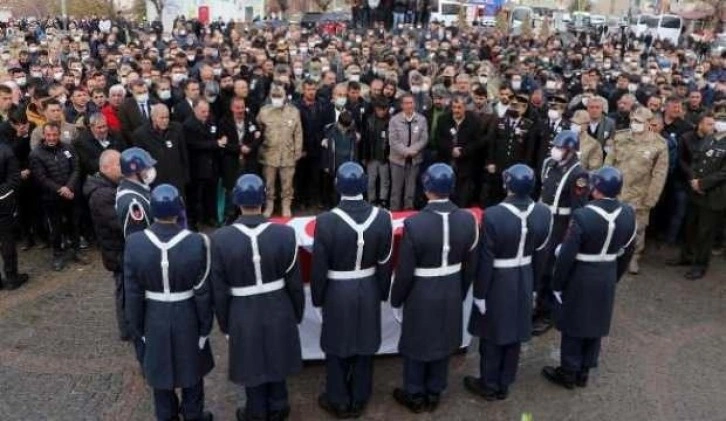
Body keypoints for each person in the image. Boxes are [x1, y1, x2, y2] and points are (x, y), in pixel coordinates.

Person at [210, 174, 304, 421]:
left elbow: (219, 290)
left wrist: (224, 322)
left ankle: (256, 410)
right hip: (278, 305)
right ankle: (279, 405)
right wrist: (296, 312)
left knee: (251, 363)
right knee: (277, 355)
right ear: (264, 199)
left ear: (236, 201)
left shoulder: (220, 239)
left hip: (242, 310)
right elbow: (294, 283)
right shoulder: (284, 234)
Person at [390, 163, 478, 413]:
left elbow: (405, 272)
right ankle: (434, 391)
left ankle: (415, 393)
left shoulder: (415, 224)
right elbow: (470, 267)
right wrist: (458, 291)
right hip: (451, 288)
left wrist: (397, 300)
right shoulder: (468, 220)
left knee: (417, 344)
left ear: (426, 188)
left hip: (421, 292)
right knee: (442, 342)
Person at [124, 184, 214, 421]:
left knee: (161, 381)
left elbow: (132, 295)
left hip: (154, 318)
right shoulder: (197, 242)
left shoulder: (134, 243)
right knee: (193, 377)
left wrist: (138, 329)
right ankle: (194, 415)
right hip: (187, 317)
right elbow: (203, 293)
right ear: (179, 209)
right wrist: (205, 328)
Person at [311, 162, 394, 419]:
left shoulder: (325, 222)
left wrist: (318, 297)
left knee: (337, 346)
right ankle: (359, 397)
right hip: (368, 287)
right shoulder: (382, 217)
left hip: (337, 290)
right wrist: (381, 293)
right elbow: (385, 263)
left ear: (338, 186)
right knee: (365, 343)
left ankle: (338, 399)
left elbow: (318, 268)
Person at [542, 166, 636, 389]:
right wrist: (615, 275)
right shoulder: (628, 214)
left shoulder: (584, 216)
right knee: (596, 323)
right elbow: (629, 250)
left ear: (597, 189)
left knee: (574, 324)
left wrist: (557, 283)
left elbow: (566, 254)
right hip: (607, 273)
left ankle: (568, 371)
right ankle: (585, 369)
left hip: (582, 274)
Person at [464, 164, 551, 400]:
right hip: (525, 276)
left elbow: (485, 259)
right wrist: (533, 287)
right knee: (514, 333)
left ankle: (489, 383)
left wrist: (480, 293)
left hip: (498, 281)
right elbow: (541, 255)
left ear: (508, 184)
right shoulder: (543, 213)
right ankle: (505, 381)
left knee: (492, 334)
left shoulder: (493, 215)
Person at [533, 130, 590, 336]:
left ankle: (547, 312)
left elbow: (578, 210)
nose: (556, 151)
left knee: (550, 269)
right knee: (539, 264)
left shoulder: (578, 174)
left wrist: (567, 237)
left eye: (561, 148)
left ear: (571, 150)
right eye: (555, 146)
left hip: (560, 224)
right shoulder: (549, 164)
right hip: (544, 219)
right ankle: (538, 305)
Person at [604, 107, 668, 274]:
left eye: (639, 122)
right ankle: (610, 252)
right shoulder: (620, 137)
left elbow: (659, 174)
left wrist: (651, 198)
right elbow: (608, 163)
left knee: (637, 228)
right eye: (633, 120)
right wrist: (603, 185)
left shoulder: (659, 144)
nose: (634, 124)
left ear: (648, 123)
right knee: (611, 223)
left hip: (639, 194)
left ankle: (633, 257)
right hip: (616, 190)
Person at [669, 112, 726, 279]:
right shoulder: (709, 138)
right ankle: (686, 257)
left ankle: (700, 264)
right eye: (719, 120)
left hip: (714, 195)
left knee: (705, 232)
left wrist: (702, 183)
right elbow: (696, 159)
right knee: (691, 226)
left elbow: (724, 172)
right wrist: (694, 179)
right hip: (696, 191)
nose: (720, 123)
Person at [29, 122, 87, 271]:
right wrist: (60, 189)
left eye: (55, 135)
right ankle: (57, 254)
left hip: (71, 193)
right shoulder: (36, 154)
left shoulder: (68, 148)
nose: (52, 138)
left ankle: (76, 250)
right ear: (44, 135)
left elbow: (76, 168)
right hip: (51, 197)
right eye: (49, 135)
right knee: (56, 227)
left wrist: (69, 187)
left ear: (59, 134)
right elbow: (41, 177)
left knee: (74, 224)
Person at [84, 150, 126, 338]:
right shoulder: (101, 195)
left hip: (118, 248)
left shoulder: (112, 186)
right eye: (118, 164)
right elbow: (119, 223)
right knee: (123, 290)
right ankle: (127, 328)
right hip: (116, 251)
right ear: (105, 167)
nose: (123, 166)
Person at [257, 84, 303, 217]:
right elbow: (258, 131)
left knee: (287, 183)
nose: (276, 99)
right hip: (269, 154)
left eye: (279, 96)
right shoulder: (264, 111)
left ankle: (286, 205)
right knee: (269, 182)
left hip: (288, 154)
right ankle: (269, 205)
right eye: (274, 96)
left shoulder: (294, 111)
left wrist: (298, 151)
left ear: (285, 97)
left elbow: (298, 133)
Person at [133, 104, 190, 192]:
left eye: (167, 117)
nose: (165, 121)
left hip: (176, 180)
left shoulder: (177, 129)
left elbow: (183, 154)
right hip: (155, 182)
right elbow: (140, 163)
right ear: (153, 118)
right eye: (162, 118)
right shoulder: (140, 135)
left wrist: (185, 177)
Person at [388, 94, 428, 211]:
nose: (409, 105)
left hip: (415, 160)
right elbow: (393, 140)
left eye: (411, 103)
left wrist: (413, 150)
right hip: (397, 161)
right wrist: (405, 151)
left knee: (410, 191)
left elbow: (424, 138)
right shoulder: (394, 120)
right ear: (402, 105)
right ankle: (394, 213)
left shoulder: (422, 120)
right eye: (406, 103)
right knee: (396, 190)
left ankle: (408, 212)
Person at [0, 130, 28, 290]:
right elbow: (14, 178)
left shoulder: (5, 150)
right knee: (7, 239)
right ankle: (11, 276)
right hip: (4, 200)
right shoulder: (6, 150)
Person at [116, 147, 157, 239]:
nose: (151, 170)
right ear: (135, 171)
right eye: (147, 168)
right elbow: (138, 241)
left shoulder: (134, 189)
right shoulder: (134, 203)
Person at [361, 97, 391, 207]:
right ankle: (371, 200)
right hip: (372, 156)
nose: (381, 112)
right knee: (370, 181)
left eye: (384, 109)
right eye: (379, 109)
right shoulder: (369, 120)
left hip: (385, 157)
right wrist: (364, 156)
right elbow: (365, 140)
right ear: (375, 109)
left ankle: (383, 200)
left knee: (384, 181)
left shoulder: (390, 121)